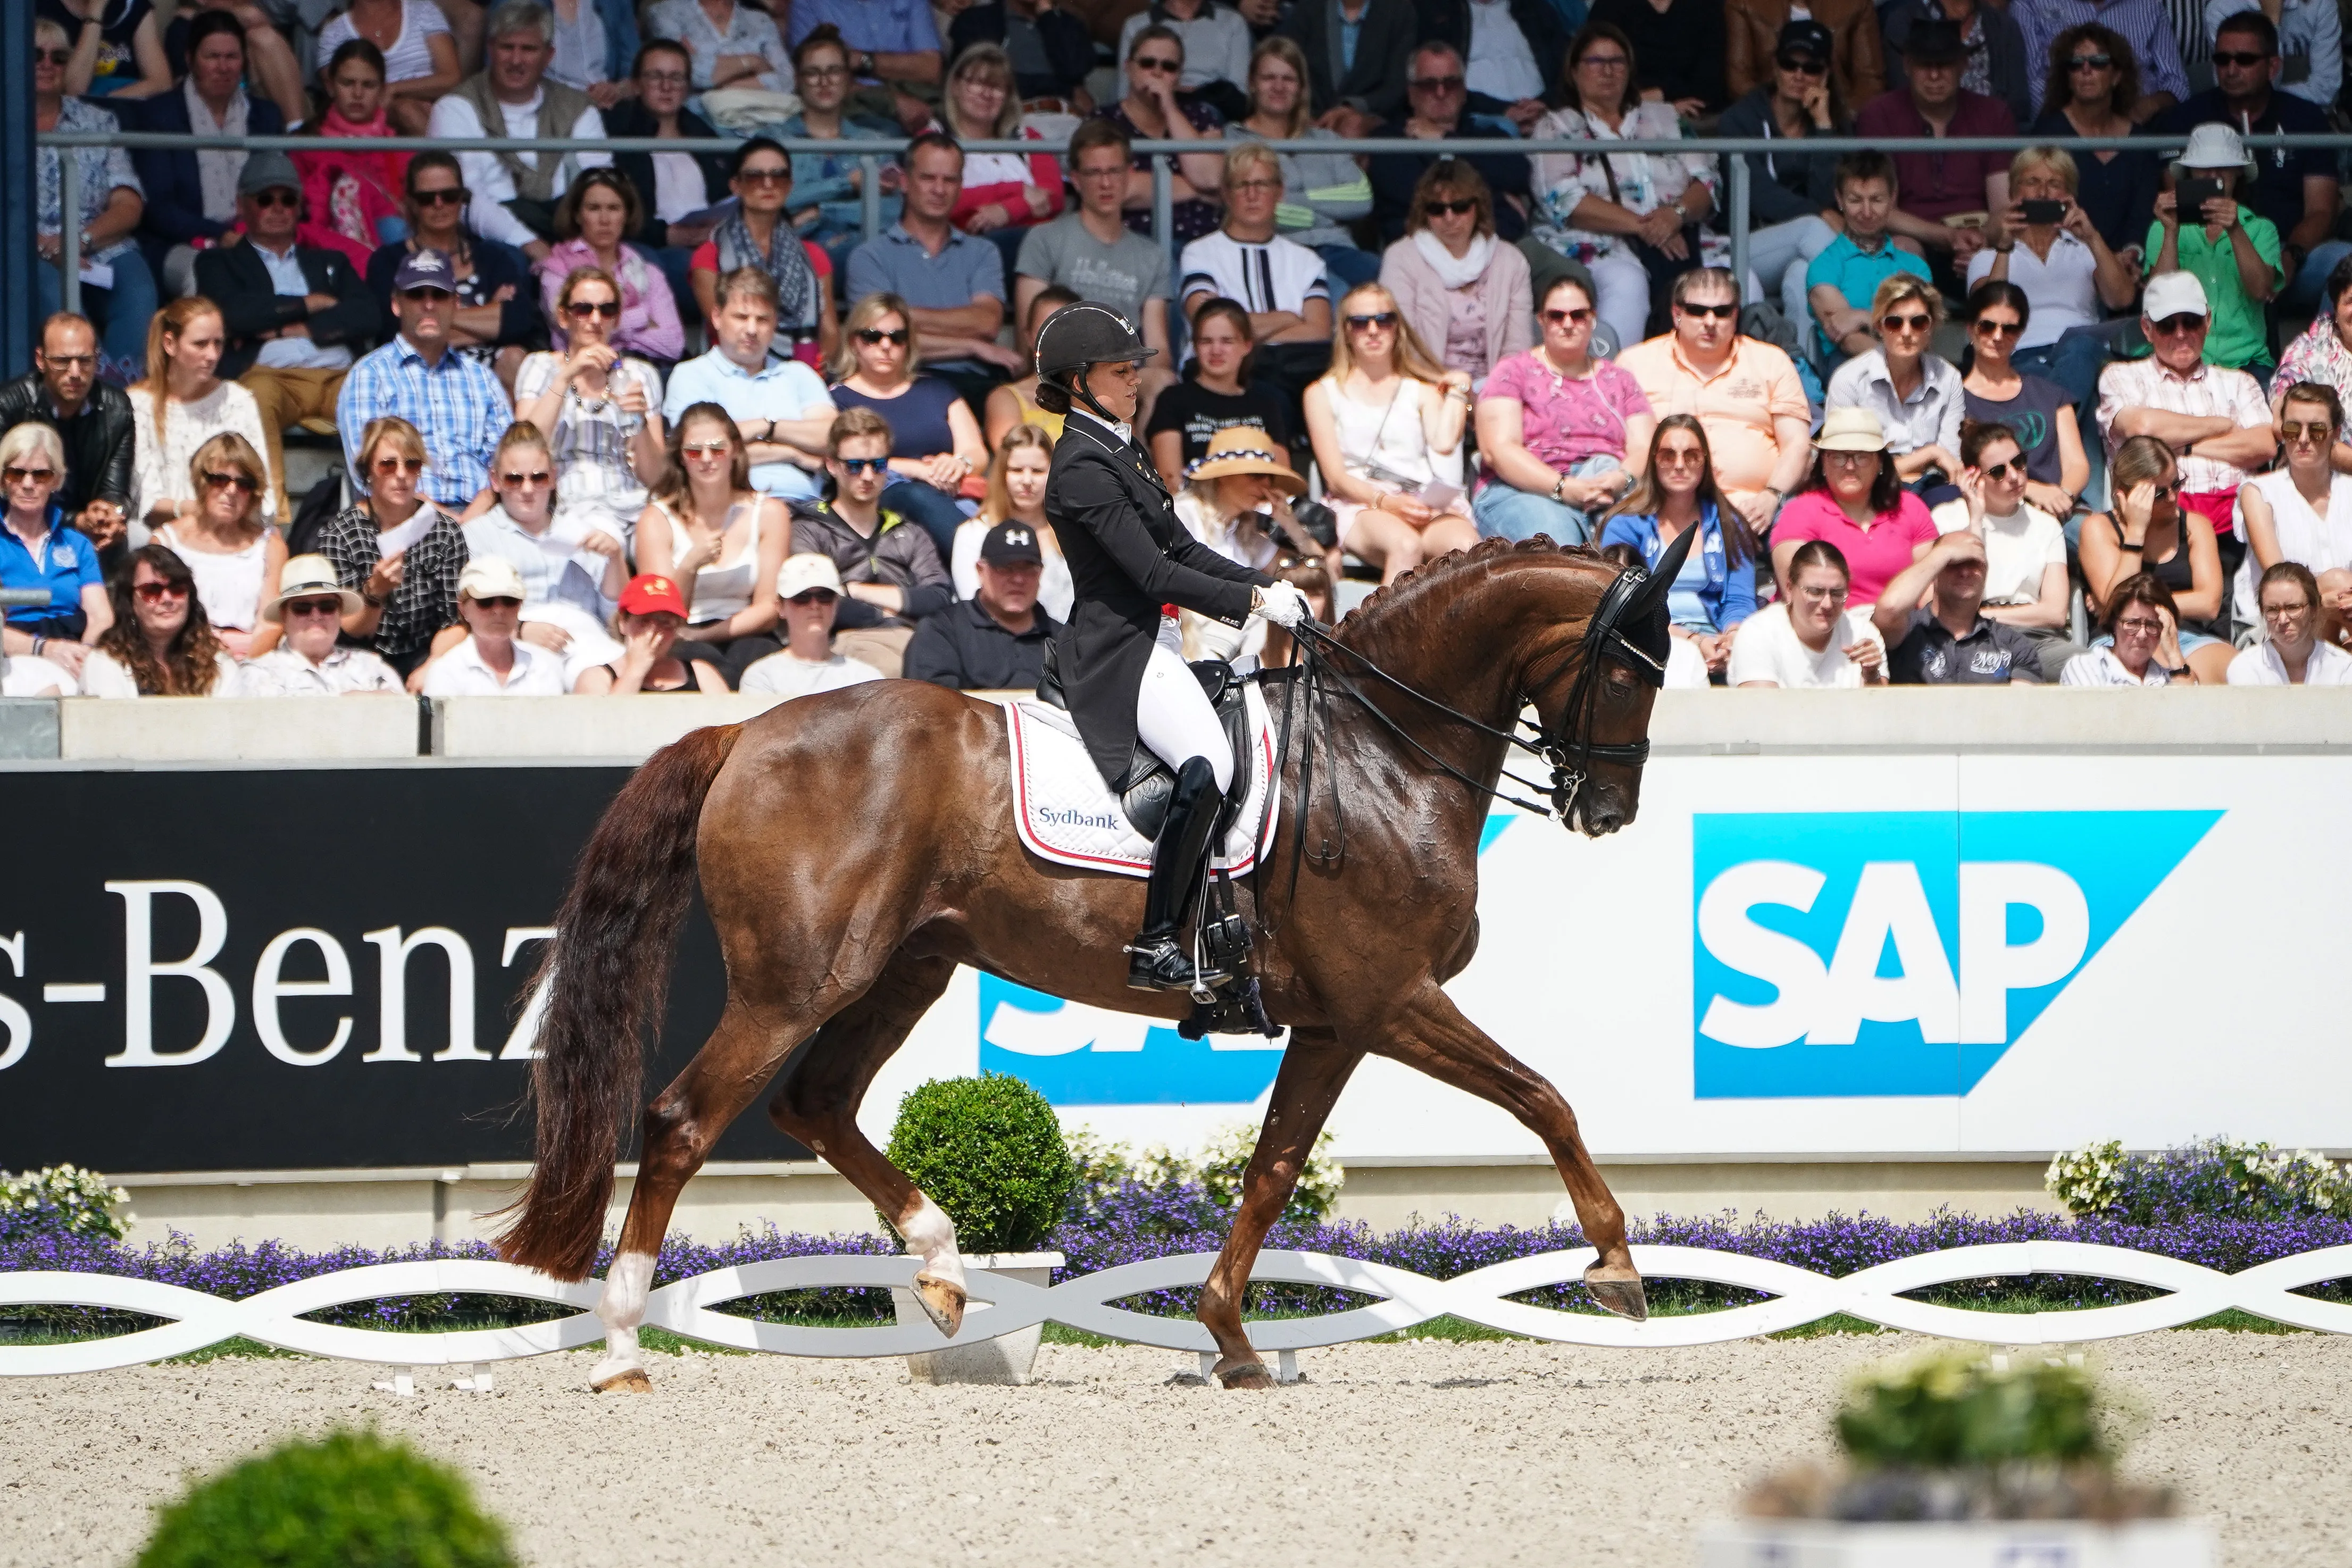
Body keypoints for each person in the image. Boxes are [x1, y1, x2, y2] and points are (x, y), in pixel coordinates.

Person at [1030, 303, 1303, 991]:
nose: (1134, 383)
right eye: (1121, 372)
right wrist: (1248, 602)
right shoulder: (1081, 467)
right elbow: (1151, 574)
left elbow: (1182, 547)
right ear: (1080, 380)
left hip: (1156, 638)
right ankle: (1155, 940)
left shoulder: (1120, 446)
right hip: (1115, 649)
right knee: (1207, 762)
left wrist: (1264, 583)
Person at [198, 153, 382, 523]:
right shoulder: (219, 263)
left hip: (338, 377)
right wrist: (310, 304)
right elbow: (233, 314)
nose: (278, 209)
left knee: (376, 397)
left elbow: (369, 314)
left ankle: (376, 519)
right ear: (242, 205)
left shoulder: (330, 261)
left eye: (288, 199)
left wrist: (298, 327)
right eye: (266, 199)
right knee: (251, 398)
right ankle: (272, 522)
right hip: (271, 377)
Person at [1522, 26, 1718, 348]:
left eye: (1617, 61)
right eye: (1595, 61)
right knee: (1628, 281)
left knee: (1735, 278)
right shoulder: (1556, 127)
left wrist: (1675, 216)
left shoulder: (1667, 118)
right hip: (1598, 242)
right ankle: (1611, 382)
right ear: (1574, 70)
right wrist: (1649, 227)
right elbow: (1563, 198)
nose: (1608, 70)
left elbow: (1708, 181)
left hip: (1682, 236)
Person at [2158, 10, 2340, 313]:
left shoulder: (2305, 117)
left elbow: (2322, 210)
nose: (2231, 70)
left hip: (2289, 255)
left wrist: (2291, 256)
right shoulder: (2185, 118)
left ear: (2273, 66)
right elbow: (2179, 202)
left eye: (2244, 60)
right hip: (2210, 257)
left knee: (2345, 262)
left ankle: (2324, 353)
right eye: (2222, 60)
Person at [1618, 268, 1814, 537]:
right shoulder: (1634, 363)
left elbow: (1797, 444)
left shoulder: (1772, 361)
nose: (1710, 321)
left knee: (1802, 536)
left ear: (1735, 316)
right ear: (1677, 314)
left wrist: (1772, 496)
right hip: (1659, 508)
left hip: (1756, 508)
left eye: (1721, 312)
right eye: (1698, 311)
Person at [2095, 270, 2274, 558]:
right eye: (2167, 325)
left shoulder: (2240, 382)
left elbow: (2263, 446)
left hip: (2238, 521)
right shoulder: (2121, 377)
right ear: (2147, 328)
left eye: (2190, 322)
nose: (2180, 334)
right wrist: (2222, 424)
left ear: (2208, 322)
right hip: (2158, 519)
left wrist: (2184, 445)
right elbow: (2142, 428)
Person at [1307, 283, 1479, 578]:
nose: (1373, 330)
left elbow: (1445, 441)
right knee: (1405, 545)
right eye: (1360, 323)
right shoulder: (1322, 393)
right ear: (1347, 331)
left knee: (1468, 547)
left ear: (1397, 327)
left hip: (1422, 501)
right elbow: (1335, 478)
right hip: (1362, 503)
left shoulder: (1421, 391)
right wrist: (1387, 502)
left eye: (1384, 320)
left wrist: (1460, 387)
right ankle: (1386, 627)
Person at [845, 131, 1023, 411]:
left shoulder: (982, 252)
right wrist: (972, 346)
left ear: (961, 185)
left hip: (974, 385)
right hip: (898, 383)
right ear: (905, 182)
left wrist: (902, 317)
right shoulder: (869, 257)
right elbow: (877, 337)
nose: (939, 189)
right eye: (928, 178)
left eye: (949, 179)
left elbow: (987, 322)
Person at [1472, 274, 1654, 546]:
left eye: (1578, 315)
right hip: (1524, 490)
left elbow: (1645, 447)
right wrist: (1564, 488)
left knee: (1633, 536)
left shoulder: (1621, 380)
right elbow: (1499, 450)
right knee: (1559, 542)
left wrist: (1620, 478)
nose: (1568, 324)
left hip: (1608, 486)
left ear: (1592, 319)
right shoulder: (1512, 372)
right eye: (1557, 316)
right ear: (1541, 321)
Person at [423, 0, 612, 262]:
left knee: (650, 263)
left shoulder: (579, 108)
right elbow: (467, 198)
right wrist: (532, 245)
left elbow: (600, 186)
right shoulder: (454, 108)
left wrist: (580, 249)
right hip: (491, 238)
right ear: (491, 49)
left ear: (549, 56)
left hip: (572, 233)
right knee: (508, 263)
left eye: (529, 49)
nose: (516, 60)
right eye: (507, 47)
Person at [123, 10, 285, 300]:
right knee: (207, 276)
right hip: (180, 244)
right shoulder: (159, 115)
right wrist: (220, 234)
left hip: (257, 236)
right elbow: (159, 207)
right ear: (190, 60)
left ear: (244, 62)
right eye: (212, 57)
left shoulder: (266, 116)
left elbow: (279, 189)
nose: (223, 67)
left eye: (232, 57)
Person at [338, 249, 515, 513]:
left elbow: (507, 465)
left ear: (456, 304)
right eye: (417, 294)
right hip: (401, 518)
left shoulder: (483, 379)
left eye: (439, 295)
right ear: (396, 305)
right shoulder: (369, 375)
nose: (429, 304)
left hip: (481, 518)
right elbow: (369, 474)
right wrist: (442, 520)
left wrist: (473, 518)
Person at [788, 408, 955, 678]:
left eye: (877, 465)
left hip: (917, 640)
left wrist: (853, 589)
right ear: (832, 465)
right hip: (845, 644)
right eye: (854, 466)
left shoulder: (909, 531)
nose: (867, 476)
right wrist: (887, 615)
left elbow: (939, 596)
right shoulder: (809, 528)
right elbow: (814, 600)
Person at [633, 403, 791, 686]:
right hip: (679, 632)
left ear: (734, 452)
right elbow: (661, 614)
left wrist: (707, 634)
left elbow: (769, 609)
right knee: (697, 661)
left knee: (760, 660)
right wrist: (690, 566)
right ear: (681, 458)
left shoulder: (769, 513)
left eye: (717, 449)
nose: (707, 459)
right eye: (694, 451)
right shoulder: (657, 519)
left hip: (747, 630)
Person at [825, 293, 991, 560]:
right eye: (873, 337)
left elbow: (976, 450)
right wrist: (916, 470)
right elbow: (843, 460)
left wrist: (959, 463)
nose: (886, 345)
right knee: (914, 494)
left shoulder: (938, 390)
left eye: (897, 337)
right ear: (854, 343)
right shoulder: (836, 399)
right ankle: (981, 564)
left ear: (908, 344)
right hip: (879, 495)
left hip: (950, 495)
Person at [461, 420, 628, 686]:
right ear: (495, 480)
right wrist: (520, 630)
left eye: (538, 478)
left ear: (553, 477)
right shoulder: (477, 536)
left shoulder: (582, 530)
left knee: (613, 676)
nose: (527, 490)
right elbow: (468, 610)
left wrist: (616, 559)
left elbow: (615, 615)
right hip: (516, 642)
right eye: (515, 479)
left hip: (586, 640)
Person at [34, 20, 155, 386]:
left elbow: (128, 203)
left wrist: (79, 240)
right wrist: (44, 246)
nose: (48, 64)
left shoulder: (98, 120)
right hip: (29, 250)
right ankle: (84, 391)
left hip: (95, 244)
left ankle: (117, 396)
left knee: (138, 289)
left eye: (59, 57)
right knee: (50, 285)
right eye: (36, 55)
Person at [1851, 20, 2014, 289]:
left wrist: (1981, 239)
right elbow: (1880, 210)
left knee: (1997, 259)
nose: (1935, 76)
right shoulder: (1878, 115)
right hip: (1910, 236)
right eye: (1925, 65)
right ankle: (1910, 329)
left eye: (1945, 64)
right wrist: (1948, 236)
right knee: (1901, 252)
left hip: (1979, 239)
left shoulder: (1995, 114)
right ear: (1907, 66)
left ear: (1963, 65)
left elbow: (2003, 206)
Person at [513, 268, 668, 547]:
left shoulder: (640, 375)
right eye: (584, 309)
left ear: (617, 318)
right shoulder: (540, 367)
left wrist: (641, 421)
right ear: (563, 317)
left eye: (607, 310)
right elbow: (523, 449)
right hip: (563, 504)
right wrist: (566, 376)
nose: (596, 320)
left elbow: (656, 477)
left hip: (631, 505)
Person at [1969, 148, 2135, 405]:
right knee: (2079, 415)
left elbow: (2121, 299)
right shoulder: (1988, 257)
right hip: (2020, 356)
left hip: (2085, 357)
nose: (2043, 193)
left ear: (2071, 196)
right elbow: (1987, 316)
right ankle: (2062, 421)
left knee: (2082, 347)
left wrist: (2092, 237)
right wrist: (2004, 246)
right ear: (2014, 192)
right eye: (2032, 182)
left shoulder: (2086, 250)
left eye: (2054, 184)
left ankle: (2051, 423)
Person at [1596, 414, 1757, 679]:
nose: (1679, 465)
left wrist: (1731, 638)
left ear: (1705, 461)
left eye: (1691, 455)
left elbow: (1739, 599)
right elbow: (1625, 607)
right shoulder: (1624, 525)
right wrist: (1692, 640)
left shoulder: (1731, 523)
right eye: (1668, 455)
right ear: (1654, 461)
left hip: (1715, 635)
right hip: (1647, 639)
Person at [366, 153, 544, 389]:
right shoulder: (388, 261)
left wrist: (428, 318)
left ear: (462, 199)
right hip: (418, 366)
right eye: (427, 198)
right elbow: (395, 331)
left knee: (515, 358)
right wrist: (489, 316)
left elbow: (518, 321)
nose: (439, 204)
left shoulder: (493, 257)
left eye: (449, 196)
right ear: (411, 202)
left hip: (488, 366)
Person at [663, 268, 838, 505]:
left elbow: (832, 439)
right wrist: (793, 453)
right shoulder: (691, 375)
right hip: (730, 506)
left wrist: (766, 428)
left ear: (775, 323)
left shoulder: (799, 374)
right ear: (717, 317)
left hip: (805, 506)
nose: (752, 330)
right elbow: (701, 452)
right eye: (742, 317)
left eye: (763, 319)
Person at [1717, 21, 1848, 335]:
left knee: (1804, 276)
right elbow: (1758, 194)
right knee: (1812, 227)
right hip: (1743, 245)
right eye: (1790, 64)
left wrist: (1824, 129)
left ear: (1826, 74)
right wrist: (1818, 212)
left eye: (1812, 67)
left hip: (1800, 249)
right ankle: (1869, 300)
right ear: (1775, 66)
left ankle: (1805, 373)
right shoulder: (1741, 118)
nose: (1799, 75)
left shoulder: (1834, 122)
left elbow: (1827, 194)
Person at [1179, 144, 1335, 405]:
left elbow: (1319, 331)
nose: (1252, 195)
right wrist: (1288, 318)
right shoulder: (1200, 253)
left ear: (1279, 192)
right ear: (1227, 194)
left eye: (1262, 184)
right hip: (1219, 372)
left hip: (1296, 373)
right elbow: (1208, 325)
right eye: (1242, 185)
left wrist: (1241, 336)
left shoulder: (1308, 261)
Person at [319, 413, 472, 678]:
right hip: (358, 656)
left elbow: (457, 621)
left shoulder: (445, 532)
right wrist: (375, 593)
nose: (401, 475)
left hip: (428, 652)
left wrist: (431, 667)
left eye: (411, 465)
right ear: (368, 471)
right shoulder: (341, 533)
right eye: (388, 465)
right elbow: (351, 628)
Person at [1014, 121, 1175, 370]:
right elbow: (1031, 338)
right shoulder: (1044, 239)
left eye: (1114, 171)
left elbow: (1159, 348)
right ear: (1076, 180)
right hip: (1064, 370)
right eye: (1094, 173)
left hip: (1125, 376)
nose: (1106, 183)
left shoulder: (1152, 255)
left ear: (1129, 174)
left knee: (1162, 383)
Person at [2078, 432, 2234, 682]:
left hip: (2188, 636)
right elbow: (2115, 603)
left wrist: (2136, 605)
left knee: (2233, 670)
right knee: (2159, 680)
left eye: (2176, 484)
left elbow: (2209, 603)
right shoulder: (2099, 528)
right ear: (2124, 494)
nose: (2173, 497)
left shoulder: (2196, 526)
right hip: (2124, 637)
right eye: (2159, 494)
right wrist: (2136, 531)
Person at [1928, 419, 2075, 677]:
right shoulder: (1947, 520)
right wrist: (1976, 517)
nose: (2015, 476)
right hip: (1969, 636)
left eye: (2018, 463)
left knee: (2084, 666)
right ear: (1973, 475)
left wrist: (1983, 614)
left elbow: (2054, 612)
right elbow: (1930, 601)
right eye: (1998, 471)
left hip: (2036, 638)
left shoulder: (2046, 525)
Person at [1171, 423, 1325, 658]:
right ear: (1223, 477)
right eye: (1255, 475)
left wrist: (1290, 524)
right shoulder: (1183, 514)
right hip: (1188, 639)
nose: (1266, 485)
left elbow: (1317, 575)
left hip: (1236, 643)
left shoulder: (1244, 533)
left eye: (1270, 477)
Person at [1237, 37, 1379, 290]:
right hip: (1278, 251)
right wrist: (1330, 214)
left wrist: (1293, 200)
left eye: (1289, 79)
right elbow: (1262, 212)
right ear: (1252, 84)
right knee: (1337, 296)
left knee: (1392, 283)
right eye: (1269, 78)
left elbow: (1361, 199)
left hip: (1338, 248)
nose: (1279, 86)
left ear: (1301, 88)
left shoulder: (1327, 140)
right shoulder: (1234, 141)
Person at [129, 299, 279, 538]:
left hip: (231, 533)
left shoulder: (237, 401)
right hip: (163, 536)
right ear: (170, 343)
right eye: (200, 344)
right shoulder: (138, 405)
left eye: (218, 344)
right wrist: (197, 511)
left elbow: (262, 489)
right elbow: (146, 499)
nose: (212, 355)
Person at [602, 39, 733, 313]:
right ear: (636, 85)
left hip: (712, 244)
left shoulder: (705, 137)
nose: (666, 87)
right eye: (655, 77)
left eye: (676, 78)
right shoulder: (618, 137)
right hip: (657, 248)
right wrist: (666, 235)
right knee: (687, 268)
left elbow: (728, 196)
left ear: (687, 88)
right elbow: (611, 209)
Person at [1380, 159, 1534, 391]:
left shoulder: (1511, 261)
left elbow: (1517, 348)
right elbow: (1401, 345)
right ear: (1424, 213)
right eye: (1437, 209)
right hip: (1424, 387)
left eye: (1460, 206)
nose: (1450, 217)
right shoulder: (1401, 258)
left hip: (1495, 390)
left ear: (1478, 207)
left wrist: (1492, 393)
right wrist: (1450, 392)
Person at [689, 138, 839, 370]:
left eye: (778, 175)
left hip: (805, 373)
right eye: (755, 176)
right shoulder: (709, 256)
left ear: (790, 185)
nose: (768, 184)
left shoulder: (814, 256)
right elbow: (722, 328)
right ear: (735, 186)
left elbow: (829, 331)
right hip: (734, 374)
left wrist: (811, 372)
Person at [2148, 125, 2283, 378]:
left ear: (2238, 173)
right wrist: (2170, 231)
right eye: (2203, 168)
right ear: (2190, 173)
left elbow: (2261, 291)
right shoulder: (2164, 227)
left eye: (2223, 168)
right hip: (2177, 360)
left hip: (2247, 362)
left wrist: (2235, 230)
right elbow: (2158, 296)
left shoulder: (2261, 228)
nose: (2213, 175)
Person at [1771, 407, 1939, 603]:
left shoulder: (1910, 508)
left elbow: (1929, 585)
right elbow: (1798, 597)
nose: (1850, 466)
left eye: (1862, 456)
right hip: (1826, 627)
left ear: (1881, 463)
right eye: (1839, 457)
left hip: (1904, 624)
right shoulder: (1800, 512)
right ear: (1824, 462)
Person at [777, 28, 904, 280]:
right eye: (813, 73)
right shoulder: (774, 141)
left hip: (861, 250)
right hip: (790, 253)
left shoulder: (875, 142)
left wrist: (820, 212)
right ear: (797, 81)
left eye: (834, 71)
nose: (824, 81)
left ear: (847, 79)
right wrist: (848, 184)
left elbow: (891, 211)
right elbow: (773, 199)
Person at [1958, 281, 2094, 519]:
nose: (1998, 336)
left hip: (2061, 507)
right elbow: (1961, 470)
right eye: (1987, 326)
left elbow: (2077, 464)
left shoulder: (2051, 394)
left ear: (2020, 334)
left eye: (2009, 329)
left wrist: (2062, 497)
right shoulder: (1955, 399)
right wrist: (2031, 490)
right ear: (1970, 329)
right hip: (1994, 510)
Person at [0, 315, 135, 552]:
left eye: (85, 361)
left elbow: (116, 490)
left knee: (126, 537)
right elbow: (7, 495)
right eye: (62, 361)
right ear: (41, 360)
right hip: (18, 523)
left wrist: (109, 514)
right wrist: (76, 521)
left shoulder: (117, 408)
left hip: (91, 528)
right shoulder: (9, 406)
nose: (75, 372)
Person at [1824, 273, 1966, 495]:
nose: (1907, 332)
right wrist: (1930, 454)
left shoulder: (1949, 378)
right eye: (1894, 323)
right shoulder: (1849, 380)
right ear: (1879, 327)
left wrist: (1906, 466)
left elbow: (1951, 462)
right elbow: (1847, 467)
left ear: (1932, 327)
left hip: (1933, 488)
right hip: (1869, 493)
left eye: (1919, 322)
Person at [2029, 25, 2163, 259]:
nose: (2086, 69)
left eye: (2099, 62)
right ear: (2067, 77)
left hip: (2127, 267)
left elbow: (2143, 214)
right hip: (2063, 259)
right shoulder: (2047, 133)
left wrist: (2132, 252)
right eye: (2076, 63)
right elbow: (2039, 208)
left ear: (2117, 76)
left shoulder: (2141, 141)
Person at [151, 431, 285, 658]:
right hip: (183, 656)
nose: (231, 491)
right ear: (202, 482)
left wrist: (243, 668)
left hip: (252, 660)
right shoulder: (166, 542)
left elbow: (271, 624)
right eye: (220, 480)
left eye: (244, 484)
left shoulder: (270, 544)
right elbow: (156, 618)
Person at [936, 46, 1065, 281]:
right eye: (976, 83)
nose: (986, 94)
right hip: (965, 245)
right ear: (955, 86)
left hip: (1036, 241)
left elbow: (1053, 196)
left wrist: (1007, 210)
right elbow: (943, 198)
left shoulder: (1028, 138)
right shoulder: (935, 137)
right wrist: (1020, 194)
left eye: (996, 87)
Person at [1094, 26, 1229, 247]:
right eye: (1148, 63)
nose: (1157, 72)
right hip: (1132, 243)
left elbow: (1212, 178)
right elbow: (1118, 189)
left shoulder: (1201, 116)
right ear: (1128, 68)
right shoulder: (1104, 121)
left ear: (1179, 76)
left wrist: (1169, 107)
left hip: (1203, 243)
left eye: (1169, 67)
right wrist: (1199, 189)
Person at [535, 170, 685, 368]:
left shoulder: (648, 271)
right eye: (594, 208)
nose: (605, 220)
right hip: (579, 373)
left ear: (627, 215)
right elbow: (574, 331)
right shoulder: (557, 269)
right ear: (578, 215)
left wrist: (613, 334)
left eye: (614, 208)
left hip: (643, 371)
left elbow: (674, 345)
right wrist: (641, 318)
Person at [0, 423, 113, 683]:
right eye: (17, 474)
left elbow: (101, 616)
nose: (28, 484)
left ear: (56, 481)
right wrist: (45, 649)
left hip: (77, 649)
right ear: (4, 479)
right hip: (13, 655)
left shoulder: (77, 543)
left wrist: (83, 654)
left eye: (40, 475)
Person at [2234, 381, 2352, 628]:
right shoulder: (2259, 493)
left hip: (2344, 617)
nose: (2303, 439)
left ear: (2337, 433)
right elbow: (2279, 581)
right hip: (2278, 622)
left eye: (2317, 430)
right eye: (2292, 429)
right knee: (2338, 581)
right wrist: (2324, 600)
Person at [1804, 150, 1934, 368]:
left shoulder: (1915, 266)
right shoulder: (1824, 266)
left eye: (1876, 200)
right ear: (1840, 200)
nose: (1866, 212)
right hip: (1850, 369)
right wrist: (1891, 329)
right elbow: (1848, 340)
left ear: (1893, 198)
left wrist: (1862, 318)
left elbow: (1920, 334)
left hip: (1912, 369)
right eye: (1855, 200)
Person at [1867, 523, 2045, 683]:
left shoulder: (2014, 645)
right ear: (1934, 570)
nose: (1965, 572)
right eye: (1953, 563)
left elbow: (2023, 711)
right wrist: (1944, 552)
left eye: (1973, 563)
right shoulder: (1906, 631)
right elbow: (1890, 608)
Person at [1144, 299, 1290, 493]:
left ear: (1247, 346)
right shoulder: (1173, 400)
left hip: (1258, 510)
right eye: (1206, 341)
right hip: (1196, 510)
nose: (1216, 351)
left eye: (1227, 341)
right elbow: (1170, 481)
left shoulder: (1266, 403)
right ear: (1195, 347)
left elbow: (1281, 478)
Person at [904, 520, 1060, 689]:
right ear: (981, 571)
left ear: (1041, 574)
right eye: (1006, 569)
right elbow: (930, 705)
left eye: (1028, 570)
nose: (1018, 579)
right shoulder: (941, 631)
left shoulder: (1065, 640)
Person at [295, 41, 413, 264]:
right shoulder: (306, 146)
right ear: (330, 86)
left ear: (383, 89)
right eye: (348, 83)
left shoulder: (401, 147)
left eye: (368, 85)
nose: (358, 94)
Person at [80, 541, 240, 697]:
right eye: (152, 590)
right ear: (130, 602)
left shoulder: (219, 663)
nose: (167, 599)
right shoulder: (105, 663)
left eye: (177, 588)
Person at [231, 554, 405, 694]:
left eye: (327, 607)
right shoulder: (259, 674)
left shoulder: (373, 667)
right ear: (284, 616)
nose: (316, 615)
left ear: (340, 612)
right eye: (302, 608)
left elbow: (405, 721)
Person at [1727, 539, 1886, 686]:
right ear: (1789, 589)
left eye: (1837, 593)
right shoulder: (1758, 634)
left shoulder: (1864, 635)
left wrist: (1872, 676)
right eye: (1815, 592)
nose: (1827, 604)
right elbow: (1762, 710)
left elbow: (1883, 711)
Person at [955, 424, 1073, 620]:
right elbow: (972, 605)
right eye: (1017, 470)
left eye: (1037, 471)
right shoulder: (973, 534)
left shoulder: (1070, 532)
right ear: (1002, 475)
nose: (1027, 480)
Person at [733, 554, 888, 696]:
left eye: (824, 596)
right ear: (780, 607)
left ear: (837, 604)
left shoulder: (867, 679)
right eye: (802, 597)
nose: (815, 605)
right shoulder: (761, 677)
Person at [786, 0, 945, 133]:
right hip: (855, 108)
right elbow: (814, 78)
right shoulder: (809, 3)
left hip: (922, 101)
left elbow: (931, 69)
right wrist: (893, 101)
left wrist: (862, 60)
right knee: (886, 132)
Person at [420, 555, 570, 694]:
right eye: (485, 602)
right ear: (463, 608)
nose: (499, 610)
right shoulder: (446, 672)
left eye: (509, 600)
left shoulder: (545, 666)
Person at [2016, 0, 2187, 119]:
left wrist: (2148, 106)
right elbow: (2033, 82)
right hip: (2064, 132)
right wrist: (2083, 120)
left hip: (2140, 128)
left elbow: (2177, 82)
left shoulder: (2150, 5)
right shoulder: (2030, 4)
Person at [314, 1, 460, 135]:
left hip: (432, 108)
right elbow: (338, 93)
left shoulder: (423, 11)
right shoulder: (333, 34)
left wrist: (394, 89)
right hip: (369, 114)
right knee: (406, 110)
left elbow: (451, 78)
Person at [572, 571, 730, 693]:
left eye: (665, 623)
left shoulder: (701, 673)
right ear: (623, 623)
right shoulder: (596, 678)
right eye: (644, 621)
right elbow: (603, 727)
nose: (654, 632)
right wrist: (636, 670)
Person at [1880, 0, 2031, 124]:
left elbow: (2018, 108)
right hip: (1924, 142)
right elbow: (1904, 101)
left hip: (1992, 142)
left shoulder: (2005, 27)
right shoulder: (1904, 21)